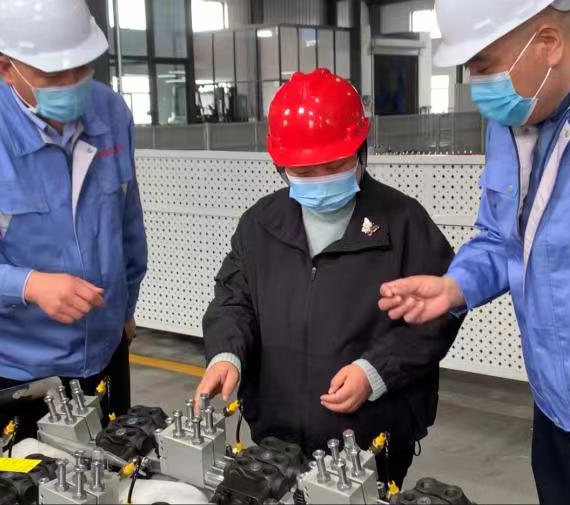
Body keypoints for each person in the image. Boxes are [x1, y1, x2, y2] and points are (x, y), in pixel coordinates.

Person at [378, 1, 570, 503]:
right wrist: (454, 285)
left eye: (484, 65)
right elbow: (499, 236)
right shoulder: (518, 114)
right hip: (555, 412)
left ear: (548, 43)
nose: (476, 85)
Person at [194, 68, 462, 486]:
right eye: (304, 171)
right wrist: (227, 354)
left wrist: (375, 371)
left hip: (372, 433)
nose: (320, 181)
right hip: (275, 433)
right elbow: (234, 299)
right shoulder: (260, 224)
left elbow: (438, 316)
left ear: (360, 149)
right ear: (280, 165)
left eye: (334, 165)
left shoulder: (405, 224)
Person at [0, 0, 147, 439]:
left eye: (81, 67)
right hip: (17, 371)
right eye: (53, 75)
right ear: (6, 68)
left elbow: (127, 222)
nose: (73, 84)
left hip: (107, 352)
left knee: (120, 476)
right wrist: (29, 286)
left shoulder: (110, 114)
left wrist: (125, 309)